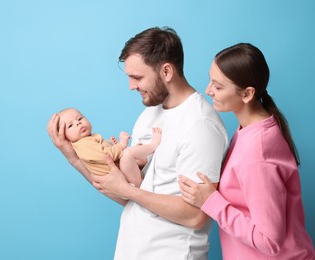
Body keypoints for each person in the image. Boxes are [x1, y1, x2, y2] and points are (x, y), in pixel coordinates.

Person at [47, 27, 228, 260]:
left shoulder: (200, 125)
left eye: (137, 77)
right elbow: (129, 196)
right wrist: (73, 157)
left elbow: (196, 216)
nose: (131, 86)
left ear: (166, 71)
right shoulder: (149, 115)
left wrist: (127, 190)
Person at [178, 43, 315, 259]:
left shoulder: (257, 153)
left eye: (218, 85)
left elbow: (270, 241)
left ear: (247, 94)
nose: (208, 90)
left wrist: (211, 201)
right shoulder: (251, 131)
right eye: (210, 80)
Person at [57, 107, 162, 187]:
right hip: (122, 179)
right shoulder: (83, 145)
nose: (78, 123)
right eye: (70, 125)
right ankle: (153, 145)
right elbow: (106, 156)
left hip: (122, 173)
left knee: (131, 152)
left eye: (79, 118)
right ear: (65, 137)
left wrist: (113, 144)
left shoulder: (88, 139)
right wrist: (121, 145)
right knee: (128, 153)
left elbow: (103, 149)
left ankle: (140, 162)